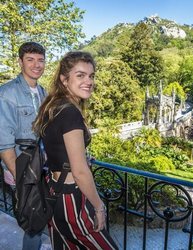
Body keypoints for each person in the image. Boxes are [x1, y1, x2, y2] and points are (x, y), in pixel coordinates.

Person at [33, 51, 118, 249]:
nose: (88, 81)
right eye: (80, 75)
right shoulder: (70, 112)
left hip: (54, 192)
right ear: (64, 80)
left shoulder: (53, 107)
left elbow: (57, 148)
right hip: (71, 198)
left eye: (91, 75)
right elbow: (79, 171)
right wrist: (99, 207)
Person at [0, 42, 47, 249]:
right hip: (22, 172)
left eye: (40, 60)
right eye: (30, 59)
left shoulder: (43, 92)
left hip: (41, 169)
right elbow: (4, 143)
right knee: (33, 224)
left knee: (42, 217)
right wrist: (20, 179)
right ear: (20, 62)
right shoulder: (7, 93)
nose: (36, 65)